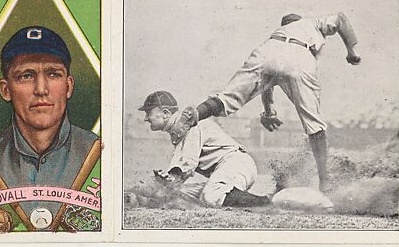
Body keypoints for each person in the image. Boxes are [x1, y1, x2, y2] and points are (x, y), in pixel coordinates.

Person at [171, 12, 362, 192]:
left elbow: (267, 84)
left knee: (227, 98)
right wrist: (351, 50)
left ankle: (196, 113)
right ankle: (325, 181)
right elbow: (341, 18)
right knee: (314, 124)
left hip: (265, 53)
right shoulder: (310, 23)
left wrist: (269, 112)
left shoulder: (277, 35)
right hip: (300, 54)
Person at [0, 26, 99, 228]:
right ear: (6, 90)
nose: (41, 90)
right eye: (26, 75)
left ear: (68, 86)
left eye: (53, 74)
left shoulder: (97, 151)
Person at [138, 90, 271, 208]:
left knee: (211, 196)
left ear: (165, 112)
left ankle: (267, 203)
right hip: (227, 170)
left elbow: (186, 164)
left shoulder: (190, 125)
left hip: (236, 163)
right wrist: (168, 182)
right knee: (179, 193)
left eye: (148, 112)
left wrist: (170, 179)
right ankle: (239, 196)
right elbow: (179, 174)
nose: (145, 118)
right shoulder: (179, 130)